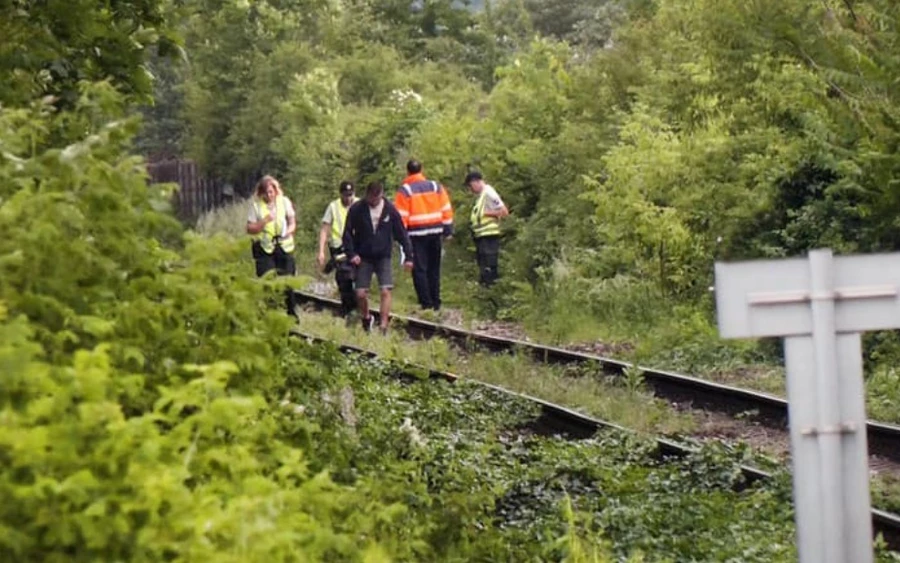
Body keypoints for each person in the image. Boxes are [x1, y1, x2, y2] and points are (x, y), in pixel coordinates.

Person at [343, 182, 414, 334]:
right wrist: (352, 254)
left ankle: (383, 326)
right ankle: (367, 317)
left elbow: (401, 233)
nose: (374, 201)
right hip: (364, 256)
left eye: (376, 198)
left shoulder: (390, 209)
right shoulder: (357, 209)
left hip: (383, 255)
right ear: (367, 195)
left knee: (385, 290)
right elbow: (347, 233)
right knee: (360, 293)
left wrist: (409, 256)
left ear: (381, 195)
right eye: (371, 198)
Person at [394, 159, 454, 311]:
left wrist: (401, 237)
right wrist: (448, 230)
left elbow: (401, 217)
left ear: (407, 172)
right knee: (434, 268)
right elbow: (446, 208)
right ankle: (436, 302)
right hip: (436, 232)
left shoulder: (405, 191)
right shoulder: (435, 186)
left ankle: (426, 303)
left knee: (420, 269)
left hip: (416, 234)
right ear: (421, 170)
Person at [317, 180, 359, 317]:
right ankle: (348, 310)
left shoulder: (360, 205)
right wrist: (321, 251)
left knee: (358, 280)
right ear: (340, 194)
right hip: (339, 249)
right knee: (344, 280)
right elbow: (325, 229)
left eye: (350, 194)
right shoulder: (333, 207)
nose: (348, 198)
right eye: (346, 195)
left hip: (357, 248)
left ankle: (355, 309)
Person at [246, 175, 296, 277]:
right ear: (261, 193)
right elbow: (250, 228)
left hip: (284, 247)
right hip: (265, 249)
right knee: (267, 279)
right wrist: (264, 221)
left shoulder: (284, 202)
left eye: (271, 192)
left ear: (275, 191)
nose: (269, 195)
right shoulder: (256, 207)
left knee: (288, 280)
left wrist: (288, 232)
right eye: (265, 193)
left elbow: (292, 222)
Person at [465, 170, 509, 286]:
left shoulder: (489, 193)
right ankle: (485, 289)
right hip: (481, 236)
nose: (471, 190)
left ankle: (491, 289)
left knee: (489, 265)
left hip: (489, 235)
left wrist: (487, 213)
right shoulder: (482, 196)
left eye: (470, 186)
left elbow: (503, 211)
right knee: (483, 266)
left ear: (476, 182)